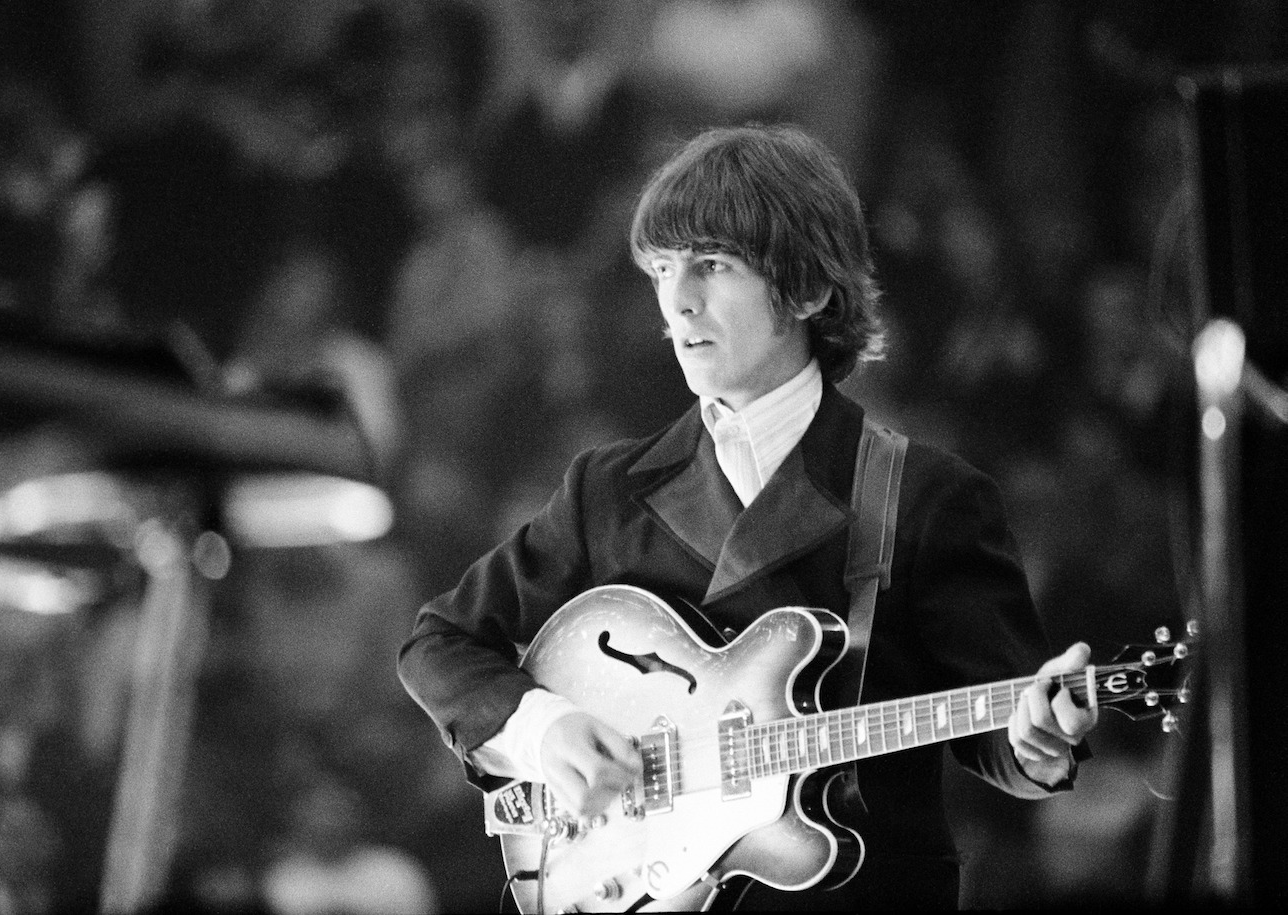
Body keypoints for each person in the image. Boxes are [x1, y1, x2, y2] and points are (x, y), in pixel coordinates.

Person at [397, 124, 1098, 911]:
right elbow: (438, 642)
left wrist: (1039, 736)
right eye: (664, 268)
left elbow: (1000, 724)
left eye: (713, 264)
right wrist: (543, 727)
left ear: (806, 289)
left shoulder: (928, 496)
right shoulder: (607, 489)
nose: (679, 298)